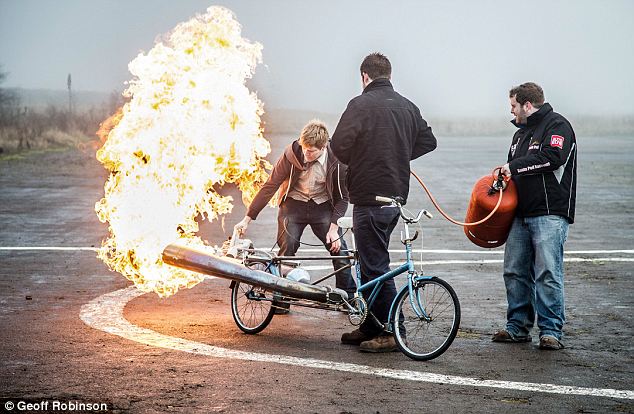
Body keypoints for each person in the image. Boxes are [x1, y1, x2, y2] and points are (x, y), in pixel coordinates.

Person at [331, 53, 437, 352]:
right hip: (396, 197)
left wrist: (366, 158)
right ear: (389, 75)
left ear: (365, 76)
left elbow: (339, 145)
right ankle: (370, 324)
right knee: (369, 261)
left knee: (375, 265)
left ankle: (392, 331)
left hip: (369, 197)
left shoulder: (360, 104)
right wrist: (397, 155)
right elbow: (429, 141)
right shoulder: (408, 106)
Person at [234, 119, 356, 312]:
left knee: (339, 250)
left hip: (322, 206)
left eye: (311, 151)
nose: (306, 154)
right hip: (293, 205)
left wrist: (334, 228)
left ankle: (347, 297)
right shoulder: (292, 153)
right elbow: (270, 186)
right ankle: (281, 299)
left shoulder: (338, 161)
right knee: (287, 250)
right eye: (304, 148)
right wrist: (248, 217)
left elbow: (343, 198)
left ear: (323, 147)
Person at [493, 82, 577, 350]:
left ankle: (551, 331)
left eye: (514, 106)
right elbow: (514, 172)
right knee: (514, 270)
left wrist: (512, 167)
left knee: (548, 272)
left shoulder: (558, 126)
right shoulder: (519, 135)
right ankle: (517, 326)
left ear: (527, 105)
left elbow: (553, 157)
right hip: (520, 214)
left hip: (550, 213)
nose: (512, 112)